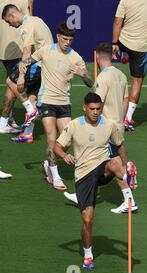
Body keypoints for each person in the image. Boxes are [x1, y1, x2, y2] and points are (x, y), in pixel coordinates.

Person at [54, 92, 138, 270]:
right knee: (87, 220)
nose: (95, 112)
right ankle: (88, 254)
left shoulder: (109, 125)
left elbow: (120, 146)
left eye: (98, 109)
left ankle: (128, 178)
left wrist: (126, 163)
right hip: (84, 175)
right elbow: (57, 146)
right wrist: (64, 155)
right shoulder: (74, 125)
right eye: (92, 109)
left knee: (113, 162)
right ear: (84, 107)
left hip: (102, 168)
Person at [63, 43, 137, 214]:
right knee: (97, 162)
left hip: (106, 128)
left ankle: (129, 200)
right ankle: (83, 194)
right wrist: (120, 120)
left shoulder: (103, 78)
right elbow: (126, 100)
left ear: (97, 57)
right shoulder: (121, 75)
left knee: (114, 163)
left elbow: (97, 103)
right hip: (118, 124)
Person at [19, 22, 93, 190]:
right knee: (52, 140)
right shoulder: (46, 50)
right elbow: (27, 62)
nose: (67, 42)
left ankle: (47, 163)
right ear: (58, 37)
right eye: (64, 38)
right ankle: (56, 176)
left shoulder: (75, 57)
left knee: (66, 141)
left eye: (70, 39)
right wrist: (22, 72)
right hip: (46, 101)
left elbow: (90, 83)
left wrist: (83, 74)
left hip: (64, 104)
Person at [112, 0, 147, 131]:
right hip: (140, 48)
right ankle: (127, 119)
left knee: (109, 68)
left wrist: (114, 43)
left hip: (123, 41)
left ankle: (124, 55)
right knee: (137, 82)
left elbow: (117, 21)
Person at [1, 3, 53, 140]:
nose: (9, 25)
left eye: (8, 21)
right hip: (47, 65)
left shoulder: (27, 25)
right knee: (32, 97)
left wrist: (21, 77)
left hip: (41, 64)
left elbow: (27, 51)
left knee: (10, 81)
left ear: (12, 15)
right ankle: (27, 134)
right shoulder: (35, 20)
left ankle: (31, 111)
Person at [0, 0, 31, 134]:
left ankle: (9, 119)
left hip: (4, 50)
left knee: (11, 83)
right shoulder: (22, 1)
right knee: (13, 84)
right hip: (17, 50)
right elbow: (29, 23)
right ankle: (3, 121)